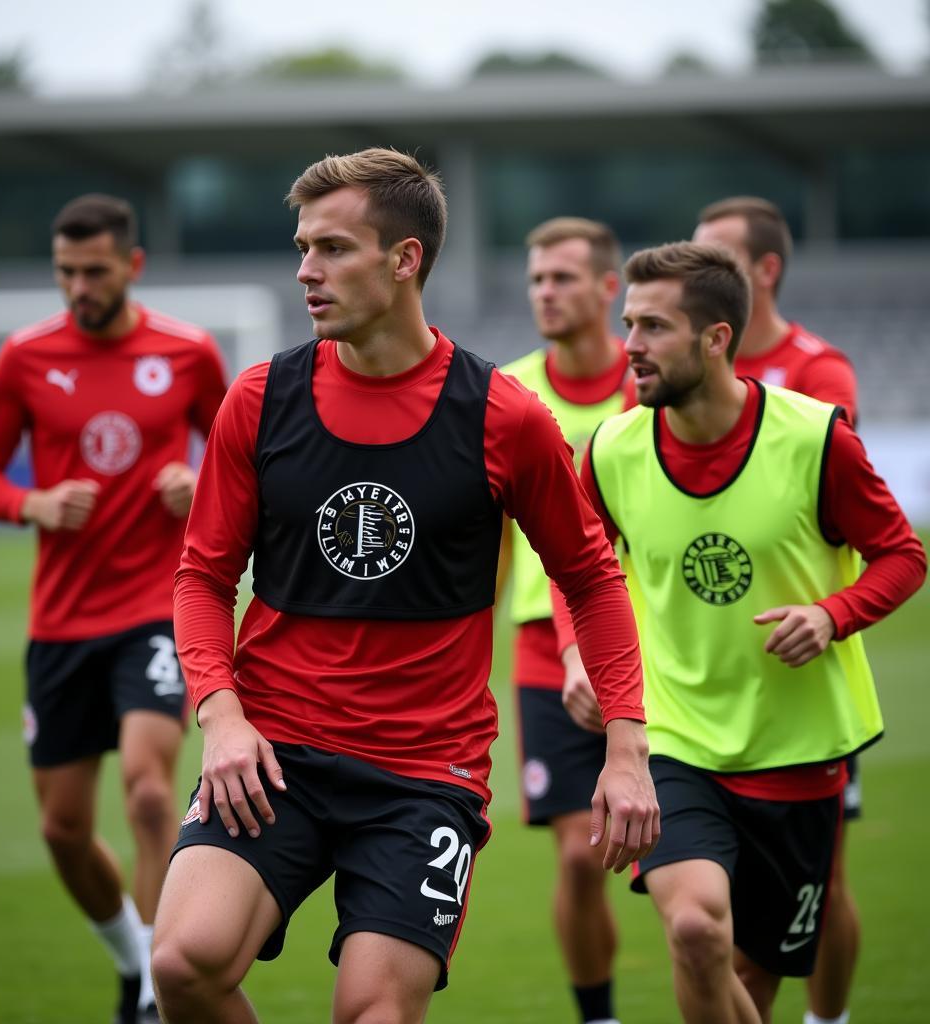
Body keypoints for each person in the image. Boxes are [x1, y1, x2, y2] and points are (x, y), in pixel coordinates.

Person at [149, 148, 660, 1024]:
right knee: (183, 963)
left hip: (424, 773)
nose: (306, 271)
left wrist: (627, 747)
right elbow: (202, 576)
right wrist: (221, 715)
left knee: (373, 1015)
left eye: (334, 249)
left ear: (404, 259)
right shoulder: (260, 399)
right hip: (271, 751)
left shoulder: (502, 415)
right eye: (304, 247)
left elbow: (592, 580)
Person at [555, 241, 926, 1024]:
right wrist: (572, 653)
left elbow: (902, 555)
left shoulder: (814, 439)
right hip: (676, 738)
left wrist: (833, 615)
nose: (630, 347)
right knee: (693, 928)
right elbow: (574, 568)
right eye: (629, 324)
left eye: (653, 327)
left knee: (752, 976)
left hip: (800, 749)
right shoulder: (614, 449)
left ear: (716, 338)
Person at [0, 194, 228, 1024]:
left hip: (156, 607)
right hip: (61, 625)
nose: (79, 287)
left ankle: (154, 991)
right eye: (66, 272)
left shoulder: (186, 353)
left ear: (133, 267)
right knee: (63, 832)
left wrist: (199, 482)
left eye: (95, 271)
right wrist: (30, 505)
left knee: (150, 793)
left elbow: (240, 454)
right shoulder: (25, 356)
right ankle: (130, 962)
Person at [693, 196, 860, 1024]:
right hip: (702, 692)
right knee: (702, 920)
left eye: (715, 257)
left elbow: (842, 517)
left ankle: (828, 1018)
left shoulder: (818, 378)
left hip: (800, 691)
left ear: (765, 271)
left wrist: (827, 612)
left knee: (826, 883)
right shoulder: (670, 379)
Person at [496, 216, 634, 1024]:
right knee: (583, 860)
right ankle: (599, 1016)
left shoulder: (653, 383)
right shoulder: (508, 391)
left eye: (563, 278)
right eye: (537, 280)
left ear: (608, 288)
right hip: (545, 655)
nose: (545, 293)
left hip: (656, 649)